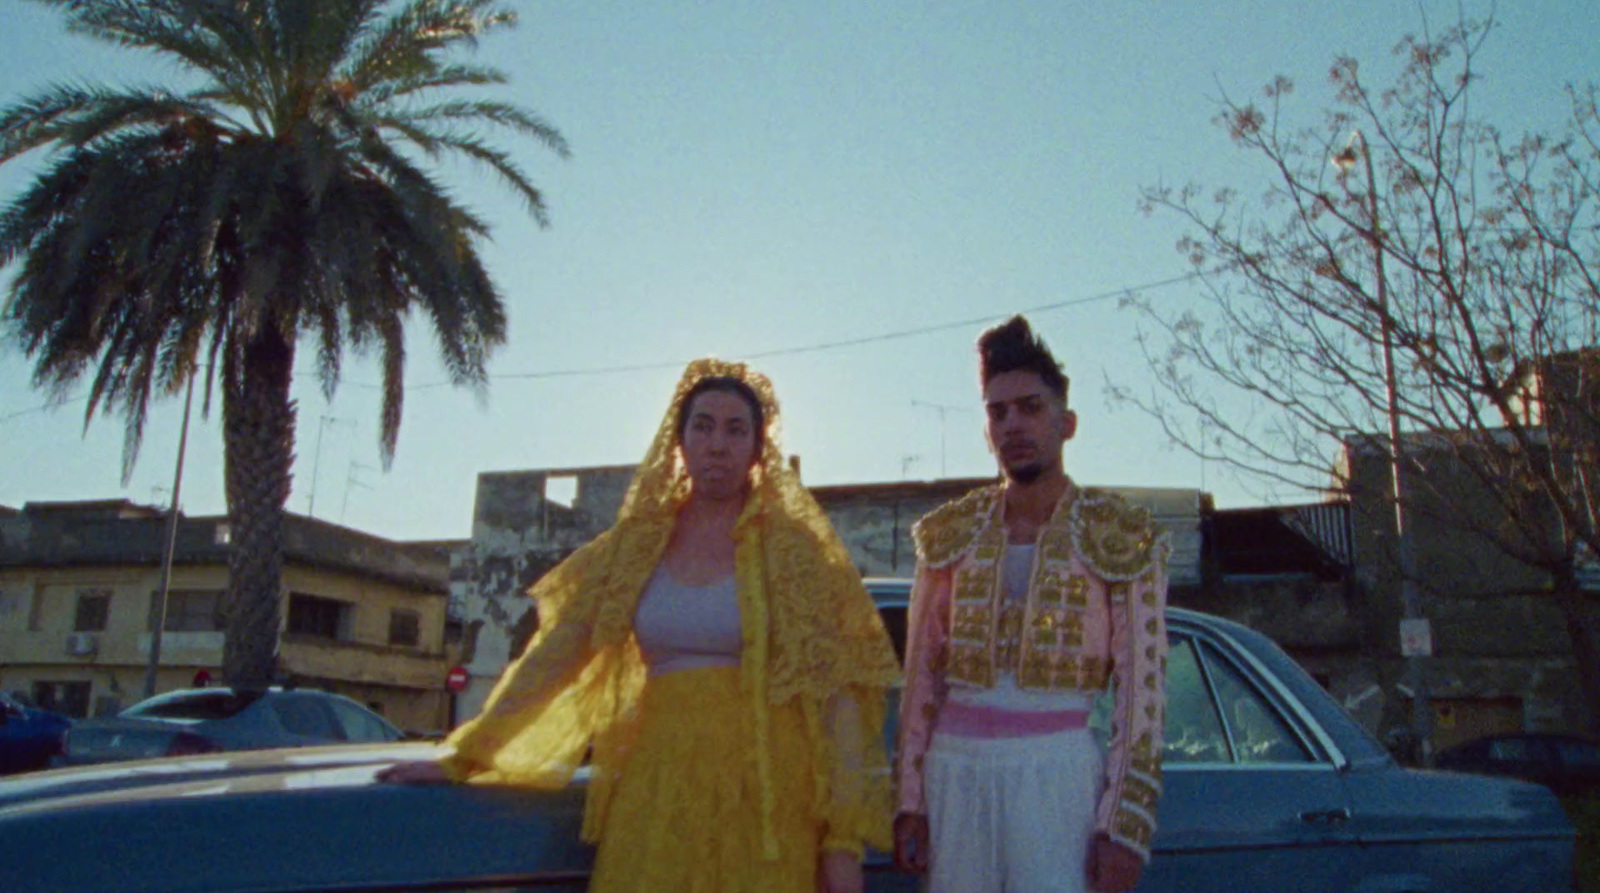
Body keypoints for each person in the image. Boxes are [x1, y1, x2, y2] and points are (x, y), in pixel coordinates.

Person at [380, 358, 900, 893]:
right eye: (702, 426)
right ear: (679, 442)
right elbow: (555, 656)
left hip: (766, 796)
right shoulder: (636, 546)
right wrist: (467, 756)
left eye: (735, 429)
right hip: (657, 788)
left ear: (757, 448)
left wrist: (841, 845)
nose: (717, 443)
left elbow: (837, 697)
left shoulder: (795, 552)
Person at [891, 316, 1169, 893]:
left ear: (1066, 423)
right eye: (998, 413)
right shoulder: (949, 534)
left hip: (1058, 772)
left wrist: (1123, 825)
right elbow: (920, 679)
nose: (1013, 424)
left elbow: (1142, 701)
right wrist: (910, 799)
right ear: (986, 431)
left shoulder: (1120, 534)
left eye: (1030, 407)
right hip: (954, 771)